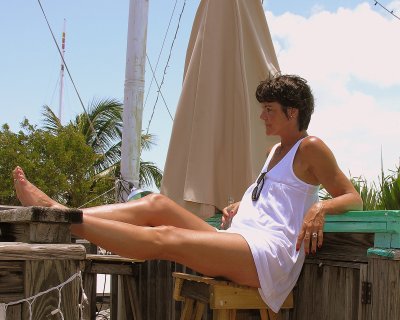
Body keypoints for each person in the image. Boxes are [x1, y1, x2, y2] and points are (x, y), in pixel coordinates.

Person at [12, 74, 362, 313]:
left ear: (293, 112)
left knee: (166, 237)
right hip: (243, 237)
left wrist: (320, 209)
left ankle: (68, 221)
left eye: (269, 110)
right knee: (156, 204)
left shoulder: (310, 147)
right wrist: (244, 202)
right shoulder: (275, 152)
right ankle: (60, 211)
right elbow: (281, 195)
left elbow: (352, 196)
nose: (262, 116)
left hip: (268, 256)